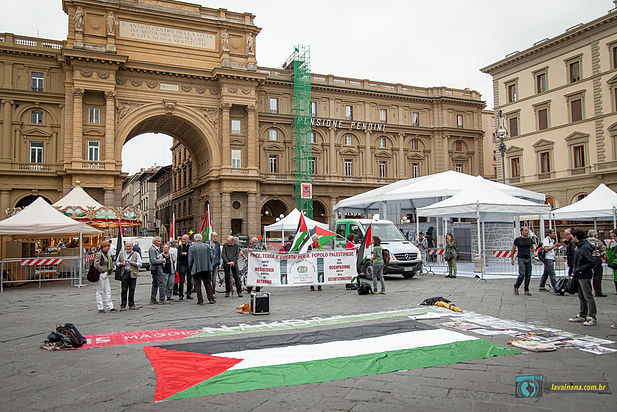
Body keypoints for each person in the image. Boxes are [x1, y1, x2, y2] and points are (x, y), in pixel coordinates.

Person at [568, 228, 598, 326]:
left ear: (575, 236)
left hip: (584, 274)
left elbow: (590, 262)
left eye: (572, 235)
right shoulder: (579, 246)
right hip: (579, 273)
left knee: (587, 295)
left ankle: (592, 316)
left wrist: (579, 269)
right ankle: (582, 314)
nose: (571, 237)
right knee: (581, 295)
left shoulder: (584, 247)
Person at [188, 233, 216, 304]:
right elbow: (212, 257)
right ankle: (211, 299)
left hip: (197, 268)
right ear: (201, 239)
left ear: (194, 239)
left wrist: (190, 267)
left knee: (197, 284)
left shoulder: (192, 247)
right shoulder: (206, 246)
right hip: (206, 268)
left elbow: (190, 260)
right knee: (208, 283)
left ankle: (200, 300)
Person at [115, 241, 142, 310]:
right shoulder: (122, 254)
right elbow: (117, 263)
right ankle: (123, 305)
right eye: (127, 246)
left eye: (129, 246)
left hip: (132, 273)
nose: (128, 248)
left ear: (132, 247)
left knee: (132, 289)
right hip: (125, 273)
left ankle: (131, 304)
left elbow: (140, 264)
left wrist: (131, 262)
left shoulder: (136, 254)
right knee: (124, 290)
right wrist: (121, 263)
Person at [93, 241, 117, 313]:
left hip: (106, 273)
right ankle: (100, 307)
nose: (108, 248)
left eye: (109, 246)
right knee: (100, 291)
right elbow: (96, 264)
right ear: (103, 247)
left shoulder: (107, 254)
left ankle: (110, 306)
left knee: (108, 290)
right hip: (101, 273)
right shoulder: (99, 254)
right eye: (107, 247)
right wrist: (102, 270)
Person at [511, 226, 535, 296]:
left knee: (528, 275)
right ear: (521, 231)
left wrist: (534, 252)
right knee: (522, 274)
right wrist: (512, 258)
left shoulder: (530, 240)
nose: (527, 232)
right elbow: (513, 248)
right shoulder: (518, 240)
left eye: (527, 231)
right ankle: (516, 286)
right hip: (521, 258)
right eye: (525, 231)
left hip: (528, 258)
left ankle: (526, 289)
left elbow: (532, 247)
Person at [587, 230, 607, 297]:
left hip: (587, 258)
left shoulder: (585, 241)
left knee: (586, 275)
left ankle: (587, 291)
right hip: (596, 258)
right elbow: (603, 250)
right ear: (595, 235)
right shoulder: (598, 241)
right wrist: (602, 256)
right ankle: (597, 291)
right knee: (597, 275)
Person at [605, 229, 617, 329]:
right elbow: (610, 258)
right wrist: (608, 247)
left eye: (614, 237)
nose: (613, 239)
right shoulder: (616, 247)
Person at [149, 237, 166, 304]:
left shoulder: (156, 249)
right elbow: (153, 261)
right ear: (154, 242)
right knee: (161, 283)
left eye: (160, 241)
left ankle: (153, 299)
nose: (160, 243)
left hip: (156, 268)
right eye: (158, 241)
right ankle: (162, 299)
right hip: (156, 268)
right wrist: (162, 260)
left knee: (155, 284)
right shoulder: (153, 249)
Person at [176, 235, 192, 300]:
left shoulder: (190, 247)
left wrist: (185, 253)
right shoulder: (180, 247)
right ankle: (181, 295)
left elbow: (190, 254)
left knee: (189, 280)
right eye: (182, 239)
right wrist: (185, 254)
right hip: (182, 265)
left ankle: (188, 294)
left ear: (188, 240)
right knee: (181, 280)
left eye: (184, 239)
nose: (183, 240)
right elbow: (179, 255)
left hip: (188, 264)